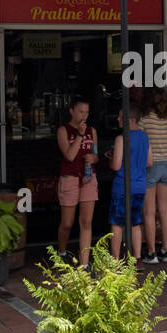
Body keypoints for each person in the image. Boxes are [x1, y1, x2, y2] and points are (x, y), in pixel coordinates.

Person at [139, 88, 167, 264]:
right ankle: (165, 250)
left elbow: (140, 144)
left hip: (150, 167)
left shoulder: (145, 121)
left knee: (149, 211)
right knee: (164, 210)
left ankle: (151, 253)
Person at [55, 97, 99, 263]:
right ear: (72, 111)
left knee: (86, 222)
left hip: (88, 177)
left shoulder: (92, 131)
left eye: (87, 112)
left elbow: (96, 153)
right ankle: (61, 251)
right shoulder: (63, 130)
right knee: (67, 223)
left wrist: (94, 158)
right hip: (70, 178)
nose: (84, 115)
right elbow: (70, 155)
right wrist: (80, 134)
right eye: (81, 111)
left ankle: (84, 264)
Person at [105, 107, 151, 260]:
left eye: (120, 117)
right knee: (135, 223)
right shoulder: (145, 137)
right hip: (139, 185)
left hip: (122, 186)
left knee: (117, 223)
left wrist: (110, 158)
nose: (118, 119)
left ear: (131, 120)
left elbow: (116, 166)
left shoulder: (121, 139)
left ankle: (116, 259)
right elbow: (149, 161)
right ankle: (137, 258)